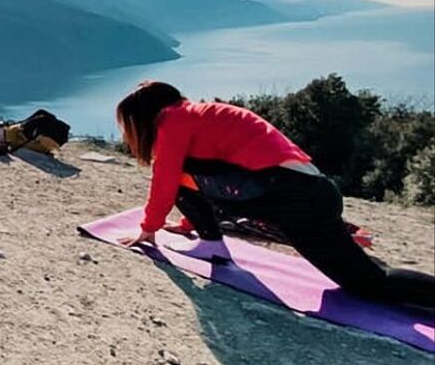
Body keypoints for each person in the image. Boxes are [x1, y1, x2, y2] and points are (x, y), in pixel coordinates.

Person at [115, 81, 435, 309]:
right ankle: (208, 240)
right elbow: (206, 175)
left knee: (370, 284)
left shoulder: (173, 119)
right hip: (310, 193)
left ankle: (212, 243)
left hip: (289, 195)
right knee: (365, 283)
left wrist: (149, 229)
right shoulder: (198, 115)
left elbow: (169, 175)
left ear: (146, 116)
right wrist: (188, 223)